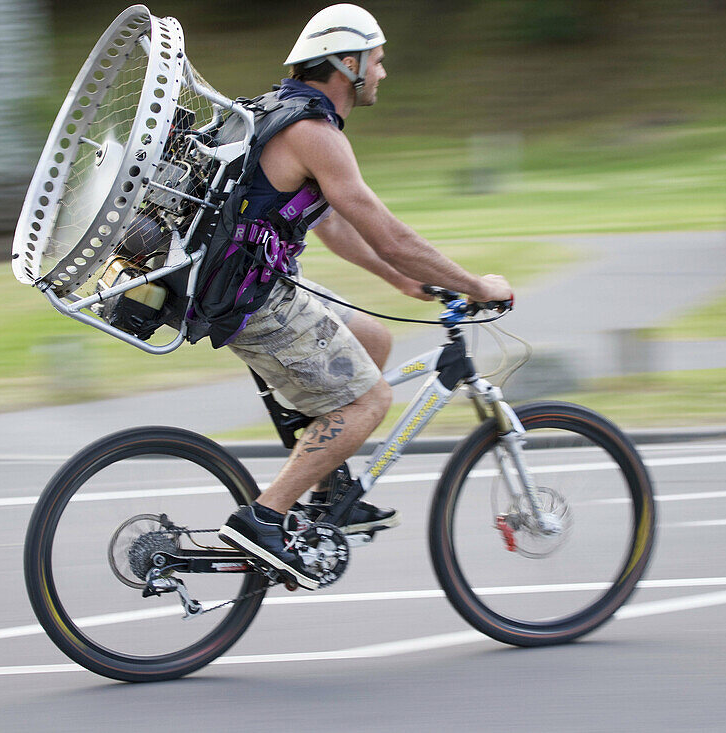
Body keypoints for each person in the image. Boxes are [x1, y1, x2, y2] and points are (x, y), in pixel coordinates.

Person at [216, 4, 512, 590]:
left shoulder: (284, 113)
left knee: (372, 338)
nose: (382, 73)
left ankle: (327, 497)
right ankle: (264, 516)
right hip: (253, 297)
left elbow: (332, 223)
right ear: (346, 64)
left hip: (252, 282)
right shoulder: (314, 132)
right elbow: (390, 233)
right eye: (376, 62)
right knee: (369, 403)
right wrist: (475, 285)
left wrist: (400, 281)